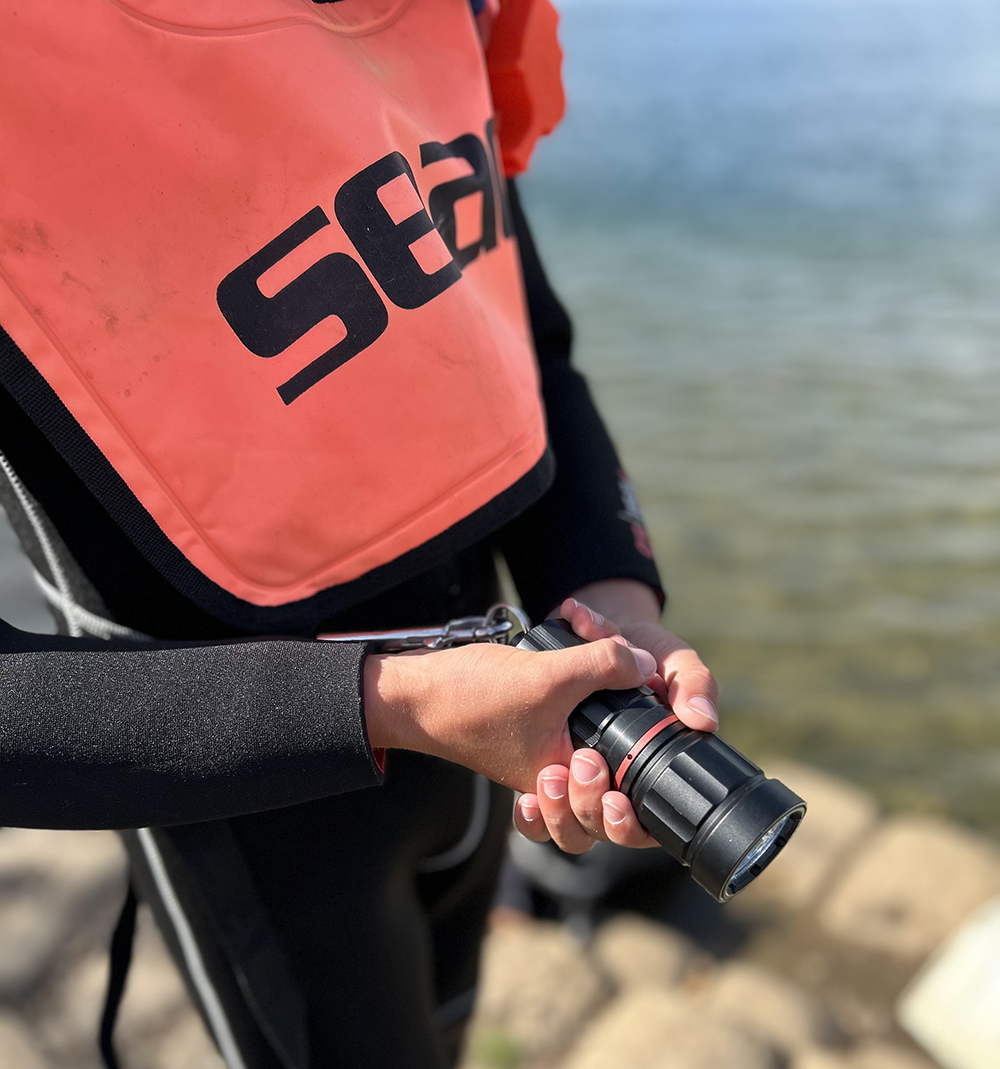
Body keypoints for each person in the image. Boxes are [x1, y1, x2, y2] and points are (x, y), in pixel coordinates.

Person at [0, 1, 718, 1066]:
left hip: (490, 751)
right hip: (269, 824)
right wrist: (399, 703)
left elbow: (519, 322)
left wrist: (610, 593)